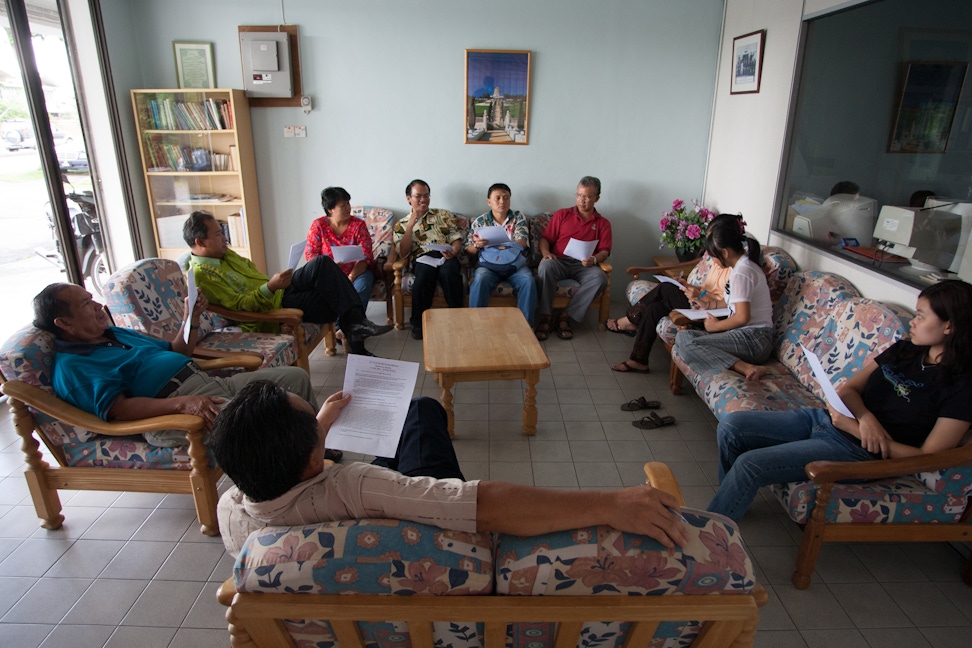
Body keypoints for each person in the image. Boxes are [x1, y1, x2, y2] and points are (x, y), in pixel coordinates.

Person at [211, 379, 691, 557]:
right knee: (422, 412)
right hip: (419, 527)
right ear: (316, 459)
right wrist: (611, 501)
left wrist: (319, 428)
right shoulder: (351, 483)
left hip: (342, 508)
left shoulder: (231, 511)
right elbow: (481, 507)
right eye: (314, 422)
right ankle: (423, 411)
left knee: (413, 417)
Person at [708, 279, 972, 522]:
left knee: (750, 464)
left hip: (857, 452)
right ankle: (731, 499)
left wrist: (854, 428)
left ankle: (712, 526)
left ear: (950, 326)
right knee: (732, 427)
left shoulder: (962, 386)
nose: (913, 322)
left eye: (921, 316)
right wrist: (866, 418)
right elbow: (849, 389)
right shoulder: (906, 350)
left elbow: (929, 457)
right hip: (826, 419)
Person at [31, 282, 336, 457]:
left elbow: (177, 351)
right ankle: (297, 468)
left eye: (92, 299)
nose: (98, 305)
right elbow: (119, 410)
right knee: (265, 418)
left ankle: (315, 448)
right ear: (65, 323)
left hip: (206, 384)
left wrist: (192, 315)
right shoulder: (73, 366)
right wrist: (183, 403)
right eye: (86, 304)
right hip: (173, 412)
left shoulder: (114, 334)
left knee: (295, 378)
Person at [184, 211, 391, 356]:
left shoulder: (223, 254)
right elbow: (241, 305)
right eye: (218, 234)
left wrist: (274, 282)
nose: (224, 239)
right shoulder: (203, 275)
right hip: (272, 304)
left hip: (278, 291)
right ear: (200, 242)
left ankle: (355, 328)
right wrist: (271, 286)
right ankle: (357, 340)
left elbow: (253, 278)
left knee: (323, 264)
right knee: (333, 297)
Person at [607, 213, 739, 373]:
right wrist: (689, 286)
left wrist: (701, 298)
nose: (710, 245)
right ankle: (638, 360)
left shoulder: (737, 268)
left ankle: (631, 318)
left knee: (665, 289)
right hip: (701, 302)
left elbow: (730, 304)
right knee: (654, 308)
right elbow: (707, 289)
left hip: (712, 313)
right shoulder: (718, 260)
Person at [673, 215, 773, 381]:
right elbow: (731, 303)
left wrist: (716, 327)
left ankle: (747, 367)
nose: (711, 260)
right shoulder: (741, 268)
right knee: (684, 337)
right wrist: (707, 304)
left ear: (725, 252)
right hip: (748, 336)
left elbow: (742, 317)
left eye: (713, 255)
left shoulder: (742, 272)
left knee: (688, 343)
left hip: (756, 339)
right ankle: (741, 365)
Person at [534, 176, 612, 341]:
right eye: (579, 195)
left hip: (584, 265)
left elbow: (605, 251)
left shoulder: (603, 223)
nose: (581, 200)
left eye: (587, 197)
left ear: (597, 198)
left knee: (600, 278)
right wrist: (546, 253)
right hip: (559, 261)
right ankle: (546, 317)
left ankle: (566, 317)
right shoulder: (563, 215)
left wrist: (594, 260)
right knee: (545, 267)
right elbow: (545, 239)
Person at [393, 179, 463, 340]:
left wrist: (454, 251)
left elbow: (456, 239)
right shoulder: (401, 224)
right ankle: (418, 323)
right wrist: (410, 225)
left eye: (426, 196)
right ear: (408, 198)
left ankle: (458, 318)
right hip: (423, 258)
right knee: (423, 277)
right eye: (418, 196)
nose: (423, 200)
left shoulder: (443, 215)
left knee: (450, 273)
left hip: (447, 254)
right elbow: (403, 253)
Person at [465, 183, 537, 326]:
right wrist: (477, 245)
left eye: (506, 198)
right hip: (488, 265)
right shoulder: (480, 221)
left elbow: (522, 242)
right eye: (497, 198)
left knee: (528, 280)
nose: (502, 202)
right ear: (489, 201)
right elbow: (469, 251)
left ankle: (526, 328)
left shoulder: (518, 217)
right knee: (480, 279)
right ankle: (476, 326)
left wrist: (501, 245)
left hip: (514, 264)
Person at [305, 186, 375, 310]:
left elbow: (366, 255)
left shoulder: (358, 225)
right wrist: (330, 268)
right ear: (330, 209)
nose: (348, 208)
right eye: (343, 206)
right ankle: (340, 326)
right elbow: (311, 255)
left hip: (357, 272)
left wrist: (351, 277)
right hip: (328, 274)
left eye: (348, 203)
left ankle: (352, 325)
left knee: (361, 287)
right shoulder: (318, 225)